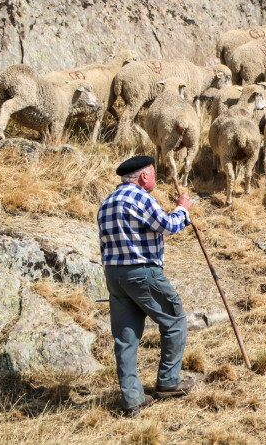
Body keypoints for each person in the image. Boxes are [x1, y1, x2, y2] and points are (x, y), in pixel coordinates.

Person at [97, 155, 195, 417]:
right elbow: (167, 226)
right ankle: (169, 381)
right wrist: (183, 208)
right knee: (174, 319)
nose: (154, 176)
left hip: (114, 276)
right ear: (143, 176)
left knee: (125, 337)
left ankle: (132, 399)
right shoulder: (140, 197)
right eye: (152, 172)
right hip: (142, 272)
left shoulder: (107, 202)